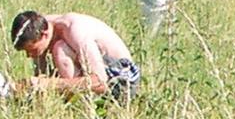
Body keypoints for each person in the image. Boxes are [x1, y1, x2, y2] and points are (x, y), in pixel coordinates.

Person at [10, 10, 139, 102]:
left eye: (32, 50)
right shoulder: (39, 27)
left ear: (44, 35)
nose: (29, 56)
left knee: (60, 49)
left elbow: (100, 81)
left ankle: (81, 106)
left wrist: (49, 84)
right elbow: (41, 76)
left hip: (121, 80)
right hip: (101, 76)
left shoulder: (74, 30)